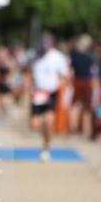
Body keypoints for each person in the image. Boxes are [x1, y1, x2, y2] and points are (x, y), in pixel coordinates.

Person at [30, 33, 70, 161]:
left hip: (51, 93)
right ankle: (44, 136)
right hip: (37, 93)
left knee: (49, 121)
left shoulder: (58, 57)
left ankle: (46, 148)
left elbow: (65, 76)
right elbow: (29, 73)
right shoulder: (35, 55)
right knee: (35, 124)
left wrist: (57, 86)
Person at [69, 35, 98, 139]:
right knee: (85, 107)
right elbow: (94, 71)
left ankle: (75, 127)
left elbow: (71, 72)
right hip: (85, 82)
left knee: (77, 106)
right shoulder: (89, 58)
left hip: (79, 82)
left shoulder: (75, 58)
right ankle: (84, 129)